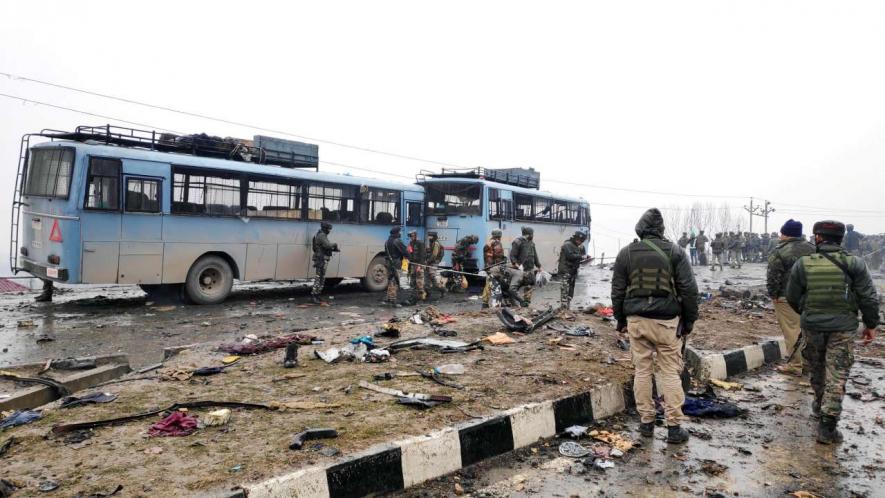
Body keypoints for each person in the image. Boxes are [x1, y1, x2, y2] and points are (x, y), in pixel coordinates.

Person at [786, 220, 879, 444]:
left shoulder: (803, 264)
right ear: (841, 239)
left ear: (817, 238)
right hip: (843, 328)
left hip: (813, 326)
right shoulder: (855, 263)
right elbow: (868, 297)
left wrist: (808, 313)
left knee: (817, 370)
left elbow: (792, 296)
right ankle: (828, 427)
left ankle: (820, 407)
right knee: (837, 375)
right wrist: (871, 324)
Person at [611, 208, 698, 444]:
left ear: (640, 229)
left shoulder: (625, 254)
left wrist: (620, 320)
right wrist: (689, 321)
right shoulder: (675, 252)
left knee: (642, 370)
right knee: (669, 372)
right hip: (667, 322)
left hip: (636, 321)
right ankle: (674, 427)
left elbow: (618, 291)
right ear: (661, 230)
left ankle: (646, 423)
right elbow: (689, 290)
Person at [766, 219, 815, 375]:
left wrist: (774, 295)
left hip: (786, 297)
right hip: (811, 296)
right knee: (809, 330)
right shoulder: (814, 249)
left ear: (786, 234)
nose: (780, 236)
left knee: (792, 330)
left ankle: (795, 365)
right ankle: (809, 363)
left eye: (782, 233)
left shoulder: (781, 251)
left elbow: (773, 275)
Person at [510, 226, 542, 305]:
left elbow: (534, 255)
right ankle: (513, 302)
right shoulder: (517, 242)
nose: (533, 236)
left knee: (529, 285)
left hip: (529, 269)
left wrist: (539, 266)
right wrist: (516, 265)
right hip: (520, 269)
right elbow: (512, 255)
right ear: (528, 234)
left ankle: (526, 302)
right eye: (532, 234)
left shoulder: (531, 243)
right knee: (516, 286)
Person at [558, 231, 588, 309]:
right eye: (579, 240)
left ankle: (568, 306)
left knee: (571, 289)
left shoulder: (578, 246)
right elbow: (570, 256)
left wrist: (585, 258)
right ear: (575, 238)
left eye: (581, 241)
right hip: (565, 270)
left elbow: (579, 256)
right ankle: (563, 307)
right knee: (565, 288)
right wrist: (581, 257)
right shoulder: (567, 244)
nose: (580, 242)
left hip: (573, 271)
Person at [310, 222, 339, 304]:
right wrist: (335, 245)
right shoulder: (322, 235)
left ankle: (317, 295)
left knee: (321, 278)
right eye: (328, 229)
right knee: (319, 278)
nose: (329, 231)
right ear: (325, 228)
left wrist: (334, 249)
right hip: (320, 259)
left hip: (322, 259)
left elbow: (325, 247)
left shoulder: (321, 235)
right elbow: (328, 245)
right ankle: (314, 296)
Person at [481, 229, 508, 308]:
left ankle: (485, 302)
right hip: (494, 267)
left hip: (489, 266)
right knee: (493, 284)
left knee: (489, 283)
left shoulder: (489, 242)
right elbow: (498, 255)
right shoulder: (496, 243)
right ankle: (487, 303)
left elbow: (489, 256)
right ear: (499, 235)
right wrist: (503, 260)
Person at [383, 227, 409, 307]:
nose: (400, 233)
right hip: (396, 263)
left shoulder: (387, 241)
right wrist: (408, 258)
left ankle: (388, 299)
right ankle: (396, 301)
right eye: (399, 232)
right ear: (396, 233)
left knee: (391, 280)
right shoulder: (397, 241)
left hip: (389, 263)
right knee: (400, 282)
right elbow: (405, 252)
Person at [407, 230, 427, 302]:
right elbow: (411, 254)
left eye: (412, 236)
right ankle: (414, 296)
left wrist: (420, 265)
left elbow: (423, 255)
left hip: (419, 264)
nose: (411, 238)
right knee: (412, 281)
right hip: (413, 264)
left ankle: (422, 296)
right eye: (410, 237)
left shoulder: (420, 243)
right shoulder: (411, 243)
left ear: (415, 236)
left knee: (419, 281)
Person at [425, 231, 446, 298]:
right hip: (431, 262)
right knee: (427, 277)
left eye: (430, 236)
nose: (429, 238)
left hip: (433, 262)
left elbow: (434, 255)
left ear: (433, 236)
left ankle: (442, 290)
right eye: (429, 236)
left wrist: (428, 261)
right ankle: (428, 293)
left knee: (432, 276)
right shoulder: (433, 242)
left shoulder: (436, 243)